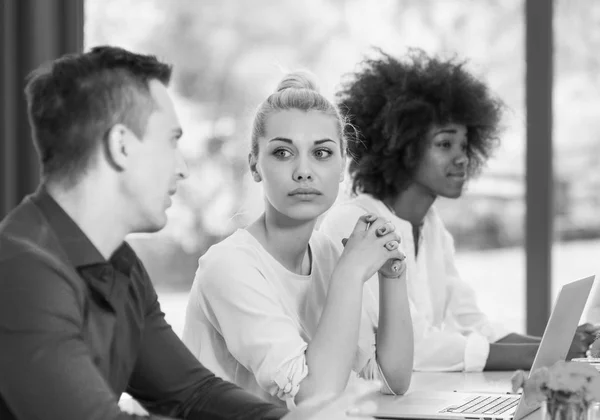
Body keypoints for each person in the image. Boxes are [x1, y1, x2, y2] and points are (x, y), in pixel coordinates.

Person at [0, 46, 377, 420]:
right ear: (121, 146)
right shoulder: (20, 271)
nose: (182, 168)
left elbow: (189, 393)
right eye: (171, 141)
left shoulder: (121, 265)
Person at [318, 48, 598, 372]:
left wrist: (555, 345)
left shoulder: (433, 229)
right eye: (444, 144)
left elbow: (472, 324)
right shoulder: (354, 224)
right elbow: (416, 347)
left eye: (464, 145)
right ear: (400, 147)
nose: (462, 158)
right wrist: (543, 354)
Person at [182, 71, 414, 408]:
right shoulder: (228, 267)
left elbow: (391, 380)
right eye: (282, 153)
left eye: (321, 154)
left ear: (341, 167)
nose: (304, 171)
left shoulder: (326, 252)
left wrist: (392, 273)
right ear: (255, 166)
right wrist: (350, 273)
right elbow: (315, 397)